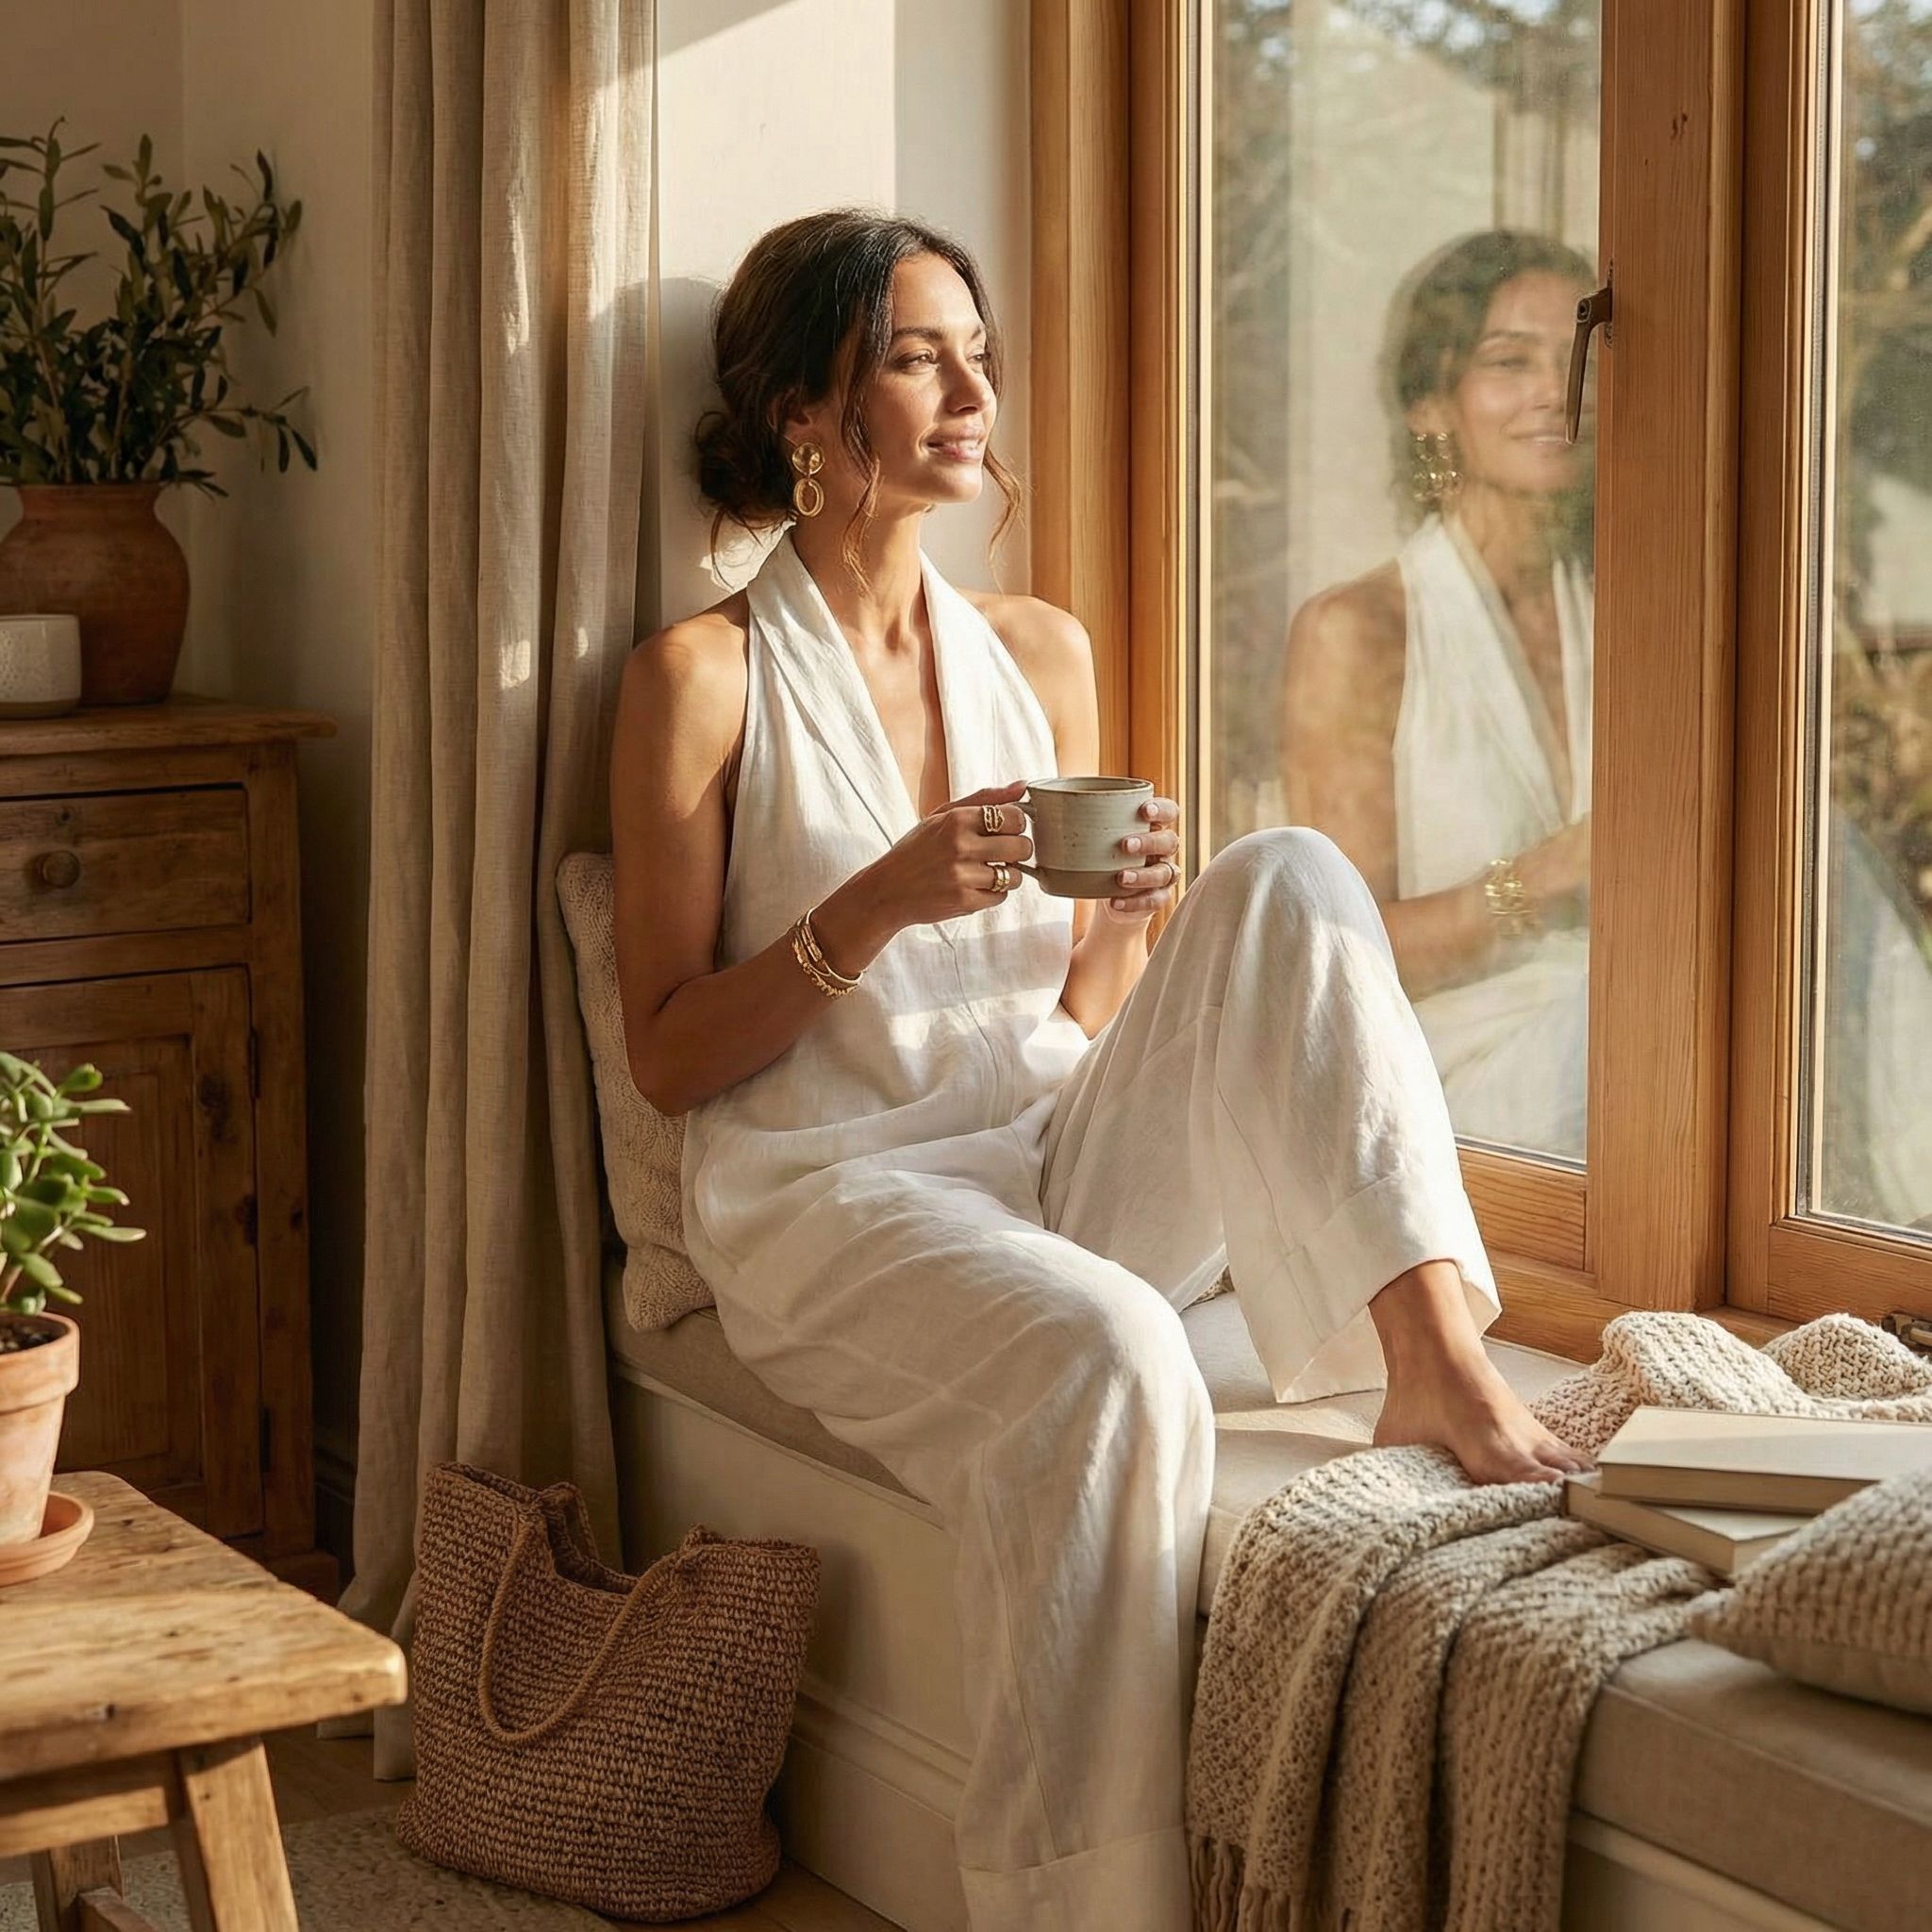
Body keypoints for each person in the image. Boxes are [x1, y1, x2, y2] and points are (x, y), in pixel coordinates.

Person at [609, 208, 1588, 1932]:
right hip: (831, 1197)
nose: (975, 388)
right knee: (1122, 1346)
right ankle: (1079, 1905)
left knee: (1282, 869)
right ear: (802, 418)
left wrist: (1129, 919)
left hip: (1045, 1145)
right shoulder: (700, 681)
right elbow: (672, 1054)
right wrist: (880, 898)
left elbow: (1074, 999)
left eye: (976, 348)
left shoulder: (1035, 649)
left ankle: (1431, 1351)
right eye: (918, 354)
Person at [1280, 229, 1598, 1160]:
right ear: (1430, 404)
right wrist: (1540, 881)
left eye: (1575, 359)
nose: (1554, 390)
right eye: (1509, 361)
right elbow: (1344, 950)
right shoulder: (1359, 630)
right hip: (1449, 1070)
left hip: (1639, 1040)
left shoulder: (1638, 616)